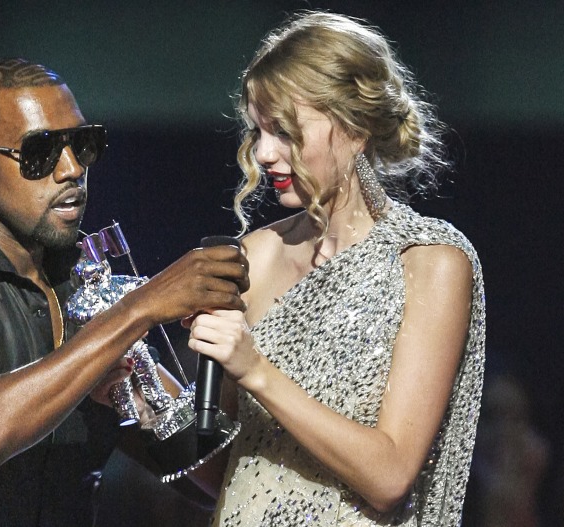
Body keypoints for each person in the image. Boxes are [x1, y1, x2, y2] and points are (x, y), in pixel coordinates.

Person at [0, 57, 249, 526]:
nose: (72, 168)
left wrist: (173, 396)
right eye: (41, 152)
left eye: (83, 144)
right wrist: (138, 310)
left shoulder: (83, 284)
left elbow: (219, 481)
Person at [186, 11, 485, 526]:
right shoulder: (258, 253)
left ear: (356, 127)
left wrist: (255, 370)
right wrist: (146, 397)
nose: (263, 153)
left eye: (283, 131)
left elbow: (390, 476)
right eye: (257, 132)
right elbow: (227, 470)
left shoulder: (430, 261)